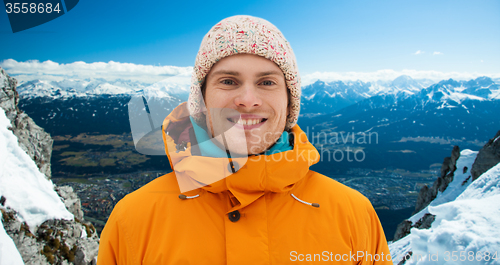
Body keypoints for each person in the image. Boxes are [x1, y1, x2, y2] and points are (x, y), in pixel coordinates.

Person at [97, 15, 391, 264]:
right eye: (228, 81)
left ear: (290, 103)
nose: (248, 101)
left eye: (267, 82)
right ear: (201, 101)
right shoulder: (133, 221)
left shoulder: (354, 215)